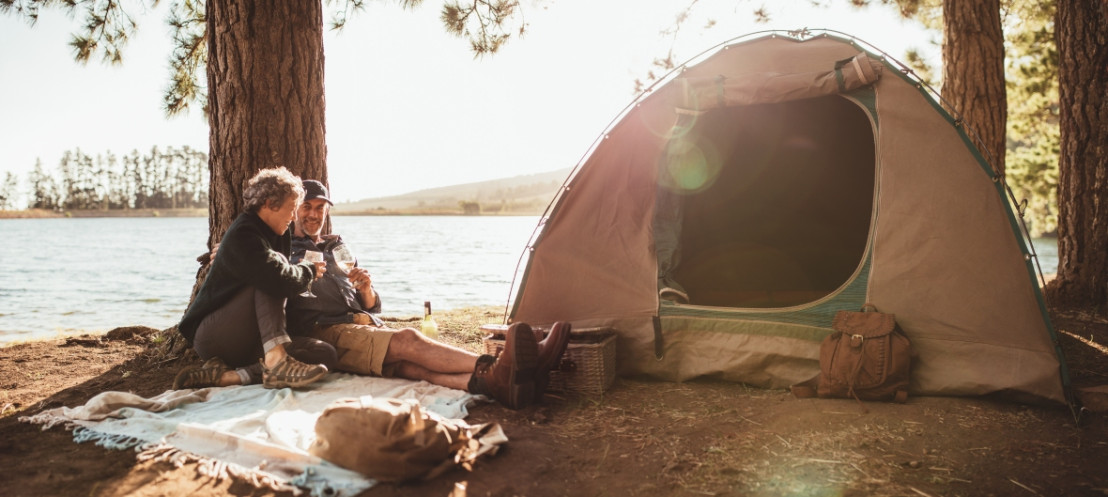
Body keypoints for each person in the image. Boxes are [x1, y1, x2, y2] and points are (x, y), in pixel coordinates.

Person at [283, 179, 571, 409]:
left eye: (320, 208)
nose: (313, 214)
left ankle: (500, 383)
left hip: (363, 324)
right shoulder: (286, 253)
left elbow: (371, 306)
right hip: (328, 330)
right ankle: (500, 366)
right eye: (307, 207)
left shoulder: (336, 247)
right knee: (408, 339)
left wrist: (367, 289)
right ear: (295, 209)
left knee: (413, 367)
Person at [174, 167, 335, 390]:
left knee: (323, 353)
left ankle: (230, 377)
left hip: (253, 339)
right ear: (269, 204)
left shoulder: (279, 233)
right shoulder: (244, 234)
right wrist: (307, 270)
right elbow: (279, 279)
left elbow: (283, 283)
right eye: (291, 209)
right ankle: (277, 362)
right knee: (275, 269)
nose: (293, 217)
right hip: (216, 335)